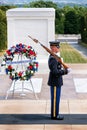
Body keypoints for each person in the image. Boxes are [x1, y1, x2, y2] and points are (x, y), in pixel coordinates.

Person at [48, 40, 69, 120]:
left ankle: (55, 113)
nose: (58, 48)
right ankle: (54, 115)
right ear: (53, 48)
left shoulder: (55, 57)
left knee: (56, 99)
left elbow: (57, 68)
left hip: (57, 81)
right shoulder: (53, 59)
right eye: (57, 47)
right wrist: (65, 71)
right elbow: (55, 72)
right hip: (55, 81)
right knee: (55, 99)